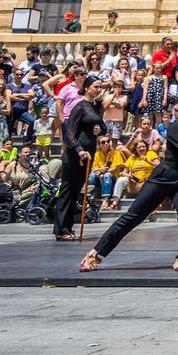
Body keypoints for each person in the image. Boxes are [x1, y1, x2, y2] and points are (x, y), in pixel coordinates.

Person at [79, 95, 178, 273]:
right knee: (133, 216)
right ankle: (96, 253)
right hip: (164, 177)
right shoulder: (175, 128)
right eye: (176, 110)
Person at [54, 77, 105, 241]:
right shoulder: (80, 106)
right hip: (75, 155)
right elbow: (69, 132)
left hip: (89, 153)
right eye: (96, 87)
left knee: (76, 191)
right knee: (68, 190)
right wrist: (79, 150)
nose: (98, 89)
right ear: (87, 88)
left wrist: (99, 130)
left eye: (100, 87)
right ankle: (61, 229)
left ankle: (68, 227)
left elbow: (102, 127)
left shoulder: (94, 107)